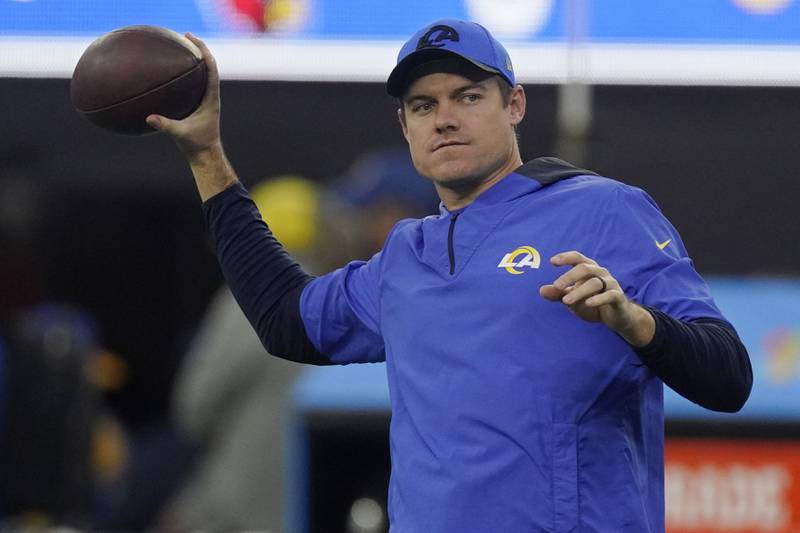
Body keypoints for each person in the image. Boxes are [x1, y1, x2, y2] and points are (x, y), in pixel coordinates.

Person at [147, 19, 752, 533]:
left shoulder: (601, 210)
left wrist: (637, 322)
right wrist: (206, 157)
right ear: (404, 127)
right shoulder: (407, 255)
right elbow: (287, 320)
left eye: (467, 96)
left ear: (513, 104)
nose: (444, 118)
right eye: (423, 105)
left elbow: (729, 377)